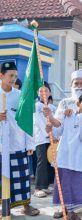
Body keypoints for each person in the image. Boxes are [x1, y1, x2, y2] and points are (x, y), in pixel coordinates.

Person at [43, 69, 82, 218]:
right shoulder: (64, 103)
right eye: (77, 83)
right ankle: (62, 207)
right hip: (65, 149)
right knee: (63, 180)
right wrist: (51, 120)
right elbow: (58, 128)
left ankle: (76, 209)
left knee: (78, 181)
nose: (79, 86)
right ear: (71, 84)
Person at [48, 92, 82, 220]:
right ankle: (70, 212)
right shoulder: (68, 115)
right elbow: (58, 132)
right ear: (78, 104)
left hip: (78, 160)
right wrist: (49, 127)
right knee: (65, 186)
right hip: (64, 158)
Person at [0, 61, 40, 217]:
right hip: (1, 146)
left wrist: (30, 143)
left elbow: (28, 121)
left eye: (15, 76)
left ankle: (25, 206)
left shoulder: (20, 97)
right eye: (10, 76)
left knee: (22, 178)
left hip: (17, 144)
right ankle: (5, 206)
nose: (13, 79)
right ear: (1, 76)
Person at [33, 81, 56, 198]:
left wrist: (55, 135)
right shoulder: (37, 106)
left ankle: (46, 185)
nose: (43, 93)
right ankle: (38, 187)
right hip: (42, 138)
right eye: (40, 91)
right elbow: (39, 122)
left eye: (45, 90)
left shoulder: (53, 107)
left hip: (53, 139)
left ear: (50, 92)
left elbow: (56, 121)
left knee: (50, 161)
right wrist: (49, 134)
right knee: (41, 162)